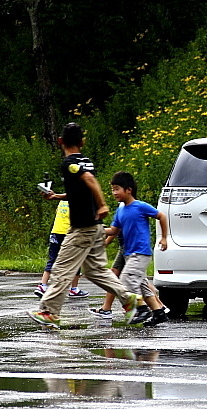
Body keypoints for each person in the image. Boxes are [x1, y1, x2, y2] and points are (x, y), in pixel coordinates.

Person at [27, 122, 139, 329]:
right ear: (82, 142)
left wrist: (103, 204)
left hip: (82, 228)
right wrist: (58, 196)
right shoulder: (86, 161)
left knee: (61, 268)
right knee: (96, 271)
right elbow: (83, 187)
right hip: (95, 227)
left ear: (60, 141)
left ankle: (49, 312)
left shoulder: (69, 163)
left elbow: (89, 180)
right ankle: (129, 299)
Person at [104, 171, 169, 326]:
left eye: (117, 189)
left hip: (140, 252)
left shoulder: (140, 206)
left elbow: (162, 216)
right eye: (112, 189)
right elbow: (113, 230)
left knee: (126, 280)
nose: (114, 193)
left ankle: (142, 309)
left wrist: (164, 237)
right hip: (129, 253)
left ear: (129, 190)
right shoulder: (120, 211)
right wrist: (96, 230)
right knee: (142, 286)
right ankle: (158, 313)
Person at [34, 200, 89, 299]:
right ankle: (74, 289)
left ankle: (42, 285)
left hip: (55, 232)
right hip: (69, 233)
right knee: (76, 260)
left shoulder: (62, 201)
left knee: (53, 259)